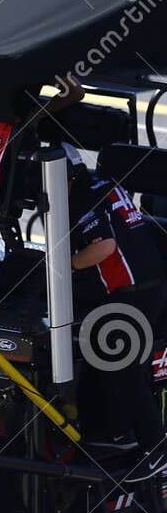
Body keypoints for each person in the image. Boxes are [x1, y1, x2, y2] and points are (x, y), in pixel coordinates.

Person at [65, 143, 167, 475]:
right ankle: (112, 436)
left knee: (122, 368)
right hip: (148, 282)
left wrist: (64, 265)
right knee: (116, 364)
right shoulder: (102, 182)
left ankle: (150, 449)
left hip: (131, 292)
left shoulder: (80, 196)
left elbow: (104, 247)